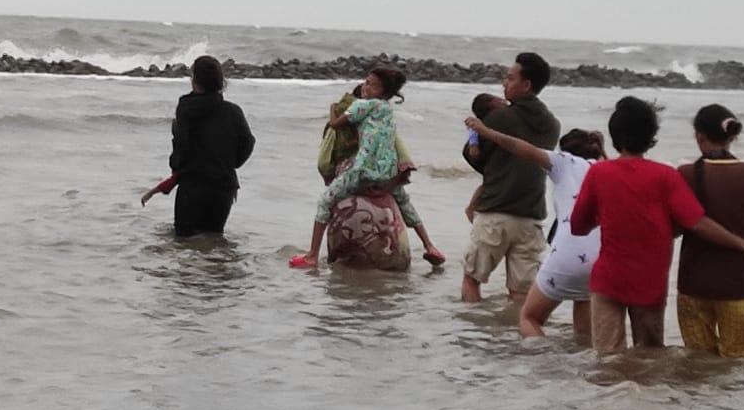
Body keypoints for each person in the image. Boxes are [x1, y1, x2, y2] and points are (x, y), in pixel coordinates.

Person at [569, 97, 744, 354]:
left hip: (608, 281)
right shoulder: (666, 177)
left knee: (608, 360)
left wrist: (608, 214)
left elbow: (578, 226)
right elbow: (697, 223)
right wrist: (743, 245)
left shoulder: (599, 173)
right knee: (650, 359)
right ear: (651, 135)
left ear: (615, 134)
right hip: (649, 284)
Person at [464, 117, 606, 338]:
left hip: (568, 255)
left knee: (529, 318)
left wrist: (487, 132)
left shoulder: (563, 161)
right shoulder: (607, 168)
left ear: (566, 150)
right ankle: (582, 368)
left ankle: (541, 364)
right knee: (584, 333)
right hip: (601, 259)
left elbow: (520, 147)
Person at [290, 65, 443, 268]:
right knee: (405, 202)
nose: (365, 86)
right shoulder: (387, 110)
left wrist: (333, 109)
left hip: (362, 172)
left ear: (382, 91)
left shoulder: (361, 106)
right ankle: (429, 245)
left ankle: (312, 255)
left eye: (370, 84)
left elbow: (335, 127)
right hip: (387, 175)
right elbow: (398, 148)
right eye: (365, 82)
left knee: (325, 201)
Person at [461, 53, 561, 303]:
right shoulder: (552, 124)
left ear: (526, 85)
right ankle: (516, 340)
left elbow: (472, 155)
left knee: (472, 279)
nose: (503, 84)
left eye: (509, 78)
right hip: (531, 217)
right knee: (521, 293)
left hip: (496, 211)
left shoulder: (499, 118)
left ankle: (472, 336)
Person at [676, 104, 744, 358]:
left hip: (693, 283)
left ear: (699, 135)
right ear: (732, 137)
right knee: (739, 364)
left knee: (697, 364)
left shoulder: (684, 174)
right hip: (738, 284)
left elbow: (676, 226)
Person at [167, 55, 255, 237]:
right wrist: (231, 163)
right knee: (214, 239)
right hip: (224, 187)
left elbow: (182, 145)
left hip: (193, 185)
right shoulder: (233, 111)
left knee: (184, 242)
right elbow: (248, 142)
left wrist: (176, 166)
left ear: (195, 81)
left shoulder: (186, 107)